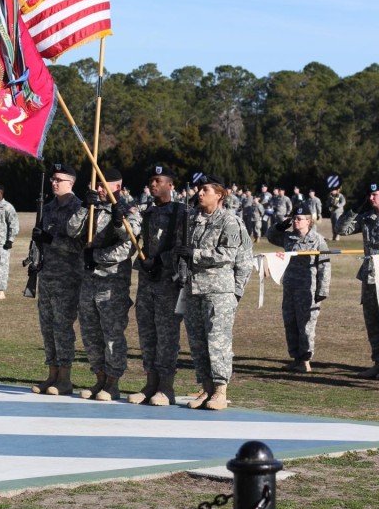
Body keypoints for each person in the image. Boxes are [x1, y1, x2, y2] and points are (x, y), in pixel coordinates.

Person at [175, 174, 251, 411]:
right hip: (193, 288)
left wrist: (195, 255)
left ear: (219, 194)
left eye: (206, 189)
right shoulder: (193, 220)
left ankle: (220, 390)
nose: (200, 193)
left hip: (218, 291)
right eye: (199, 189)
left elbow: (231, 255)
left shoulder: (230, 222)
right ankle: (206, 388)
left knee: (218, 342)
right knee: (197, 342)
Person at [67, 167, 141, 401]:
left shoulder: (129, 210)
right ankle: (99, 377)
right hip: (88, 282)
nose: (98, 189)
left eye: (103, 185)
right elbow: (71, 230)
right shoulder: (91, 208)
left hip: (112, 283)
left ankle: (112, 382)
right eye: (96, 184)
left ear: (116, 187)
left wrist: (97, 256)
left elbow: (128, 245)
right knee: (90, 334)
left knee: (111, 335)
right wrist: (82, 207)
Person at [129, 165, 185, 406]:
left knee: (167, 336)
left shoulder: (181, 213)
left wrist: (160, 260)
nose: (153, 184)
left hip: (168, 283)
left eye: (158, 181)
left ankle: (166, 386)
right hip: (147, 283)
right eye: (151, 180)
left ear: (170, 185)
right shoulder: (146, 212)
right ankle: (150, 382)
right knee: (147, 334)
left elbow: (184, 248)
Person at [30, 163, 84, 396]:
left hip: (68, 277)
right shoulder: (48, 207)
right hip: (47, 275)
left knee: (63, 328)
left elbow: (79, 245)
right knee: (47, 328)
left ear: (70, 183)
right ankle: (51, 373)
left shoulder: (79, 209)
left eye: (59, 180)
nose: (54, 183)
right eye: (53, 179)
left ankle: (64, 377)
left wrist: (51, 240)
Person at [267, 203, 331, 373]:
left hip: (308, 289)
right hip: (290, 288)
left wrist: (322, 290)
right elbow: (271, 237)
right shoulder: (289, 237)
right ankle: (295, 357)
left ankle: (305, 360)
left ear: (309, 221)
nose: (296, 221)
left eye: (299, 219)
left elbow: (325, 265)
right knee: (290, 322)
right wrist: (280, 225)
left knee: (306, 325)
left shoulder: (317, 240)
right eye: (294, 218)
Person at [336, 181, 379, 378]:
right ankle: (378, 364)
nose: (371, 198)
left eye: (375, 195)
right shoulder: (366, 218)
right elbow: (341, 229)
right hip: (369, 278)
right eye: (369, 196)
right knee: (372, 323)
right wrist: (354, 209)